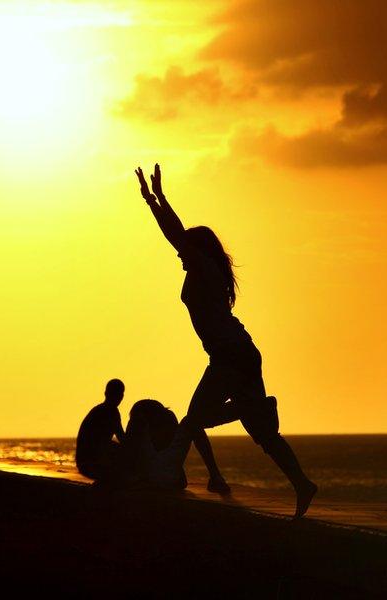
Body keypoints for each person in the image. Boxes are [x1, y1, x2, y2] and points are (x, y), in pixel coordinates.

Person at [133, 164, 317, 515]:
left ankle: (165, 472)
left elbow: (175, 235)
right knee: (264, 435)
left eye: (185, 251)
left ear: (198, 250)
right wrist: (153, 200)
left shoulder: (203, 267)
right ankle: (303, 483)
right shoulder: (207, 270)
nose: (179, 256)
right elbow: (177, 239)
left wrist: (157, 199)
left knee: (191, 420)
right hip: (239, 353)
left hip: (230, 356)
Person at [75, 379, 126, 481]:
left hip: (84, 461)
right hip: (90, 463)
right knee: (125, 454)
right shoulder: (110, 412)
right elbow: (122, 439)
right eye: (116, 394)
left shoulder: (99, 410)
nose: (119, 397)